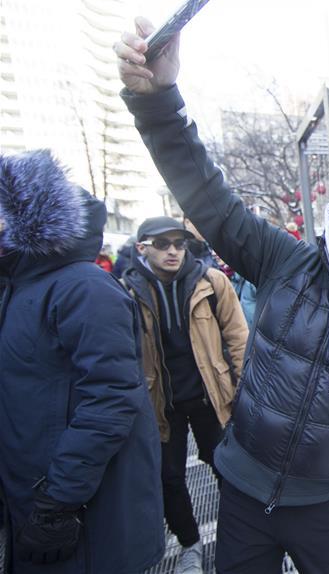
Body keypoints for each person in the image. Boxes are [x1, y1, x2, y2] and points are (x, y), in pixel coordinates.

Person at [115, 18, 329, 573]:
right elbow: (210, 199)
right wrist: (159, 100)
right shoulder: (286, 261)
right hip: (242, 486)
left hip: (327, 505)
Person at [0, 149, 165, 573]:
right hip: (32, 500)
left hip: (84, 517)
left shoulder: (83, 288)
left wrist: (58, 500)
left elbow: (111, 399)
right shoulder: (16, 288)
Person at [122, 216, 248, 574]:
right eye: (162, 244)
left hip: (212, 396)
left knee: (228, 468)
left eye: (179, 243)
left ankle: (242, 535)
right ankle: (189, 543)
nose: (173, 251)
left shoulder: (211, 281)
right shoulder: (127, 291)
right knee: (168, 478)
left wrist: (244, 391)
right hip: (160, 403)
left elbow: (239, 339)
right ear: (142, 248)